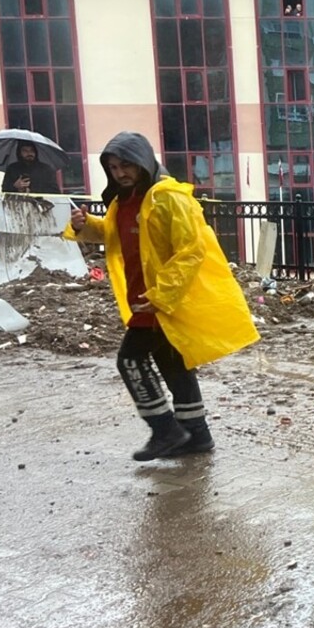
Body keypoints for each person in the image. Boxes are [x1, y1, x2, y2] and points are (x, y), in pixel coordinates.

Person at [65, 132, 257, 460]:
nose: (120, 173)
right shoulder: (121, 201)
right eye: (113, 167)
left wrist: (163, 295)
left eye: (127, 165)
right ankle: (196, 436)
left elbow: (191, 249)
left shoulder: (168, 198)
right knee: (173, 364)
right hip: (145, 296)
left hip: (162, 299)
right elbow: (113, 236)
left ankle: (164, 429)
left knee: (129, 360)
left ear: (144, 161)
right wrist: (85, 226)